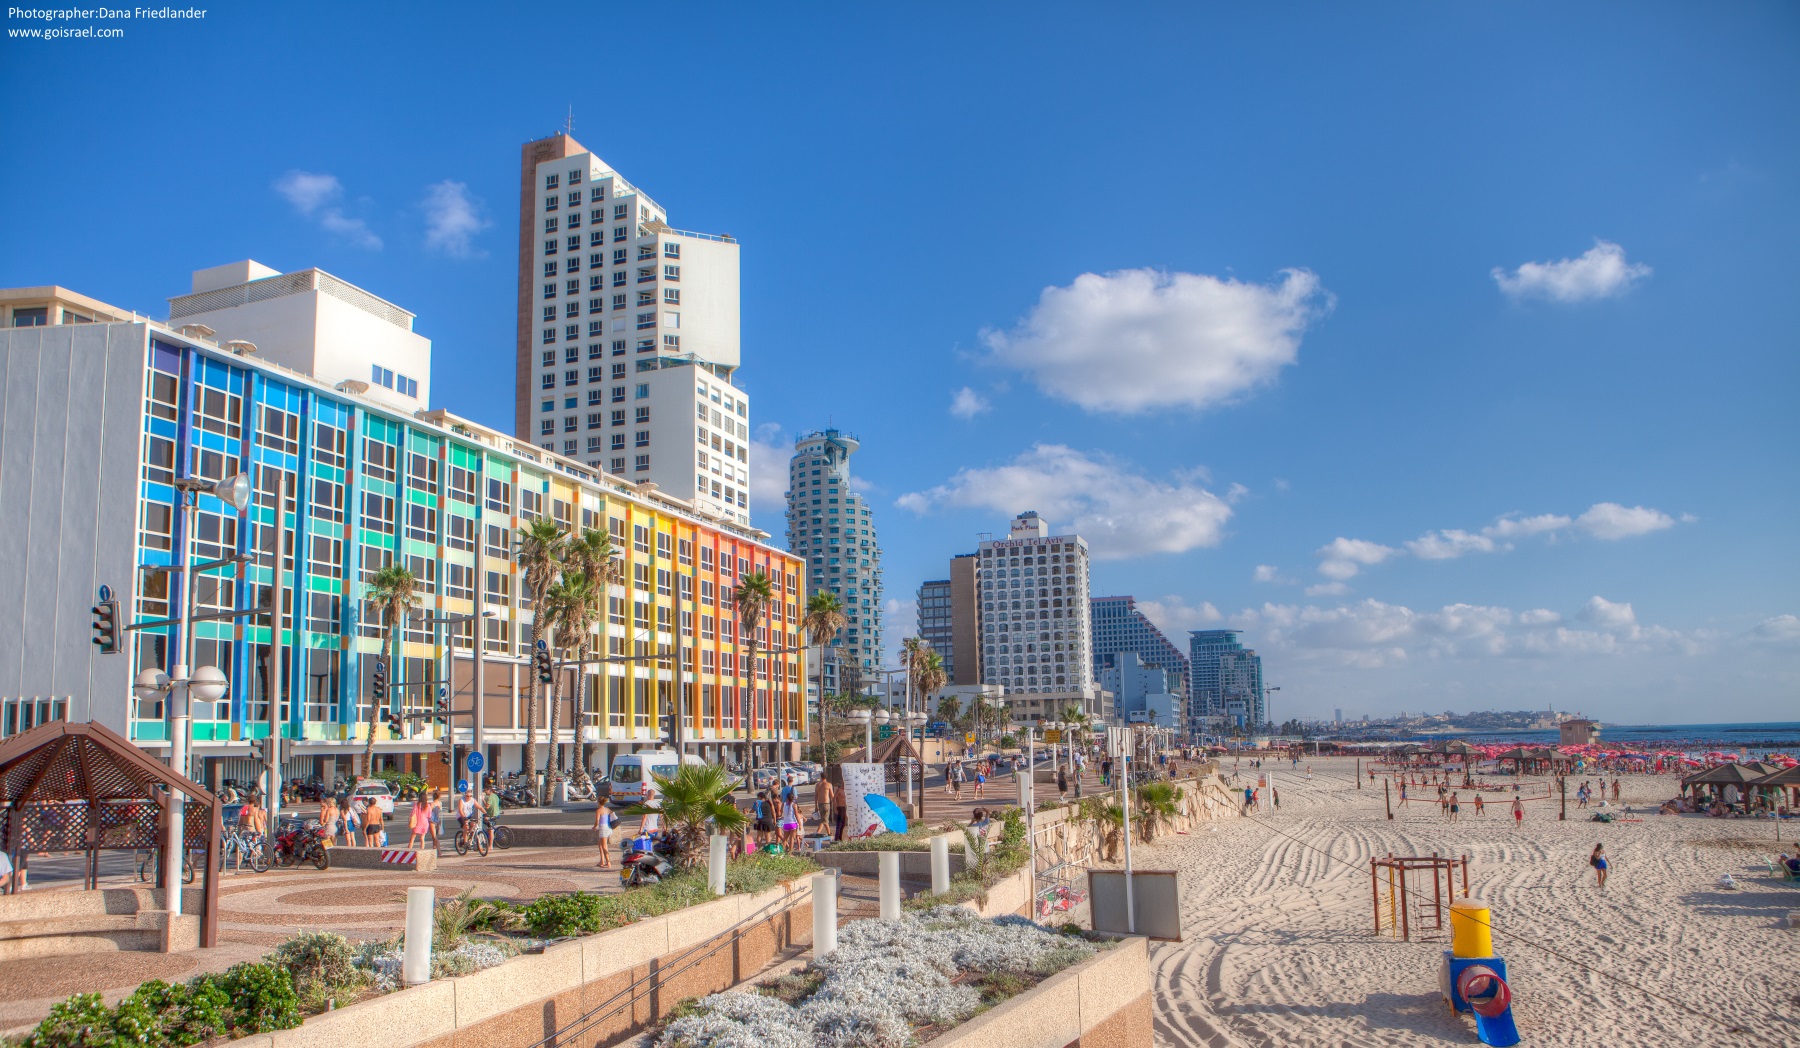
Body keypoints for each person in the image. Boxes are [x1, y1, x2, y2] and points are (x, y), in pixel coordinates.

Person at [594, 803, 617, 868]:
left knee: (604, 846)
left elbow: (597, 821)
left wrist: (594, 827)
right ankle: (602, 861)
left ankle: (608, 863)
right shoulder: (607, 809)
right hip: (609, 828)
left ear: (598, 802)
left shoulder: (599, 810)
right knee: (600, 843)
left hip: (603, 829)